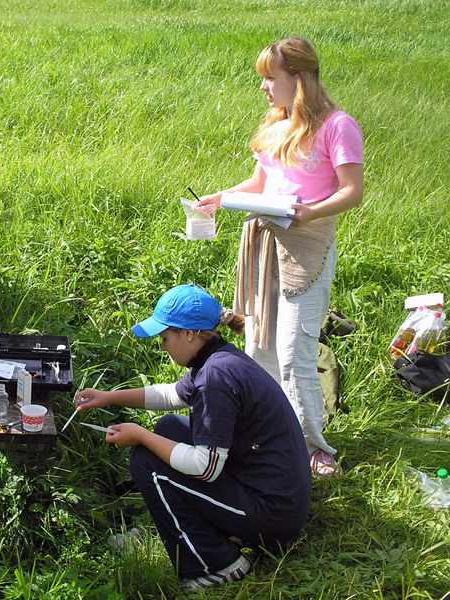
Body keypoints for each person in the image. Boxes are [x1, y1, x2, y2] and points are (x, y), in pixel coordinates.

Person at [193, 37, 364, 476]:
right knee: (258, 344)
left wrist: (310, 212)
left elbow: (351, 192)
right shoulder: (276, 124)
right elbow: (260, 184)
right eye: (263, 78)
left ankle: (314, 448)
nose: (265, 87)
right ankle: (269, 433)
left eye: (272, 78)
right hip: (265, 244)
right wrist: (220, 197)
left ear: (299, 79)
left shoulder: (336, 125)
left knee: (293, 353)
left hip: (308, 247)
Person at [74, 284, 311, 592]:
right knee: (171, 426)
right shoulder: (217, 358)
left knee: (148, 463)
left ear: (188, 334)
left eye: (164, 339)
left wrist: (142, 436)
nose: (162, 347)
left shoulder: (217, 378)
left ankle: (215, 564)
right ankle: (207, 535)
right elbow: (173, 395)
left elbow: (205, 467)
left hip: (272, 515)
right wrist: (109, 397)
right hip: (272, 491)